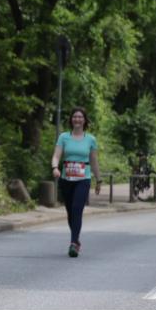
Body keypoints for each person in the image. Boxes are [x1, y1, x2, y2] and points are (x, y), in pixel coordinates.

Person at [51, 107, 101, 258]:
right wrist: (55, 167)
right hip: (66, 179)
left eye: (80, 117)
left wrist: (98, 179)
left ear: (84, 120)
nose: (77, 119)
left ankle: (73, 243)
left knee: (77, 209)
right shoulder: (64, 137)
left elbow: (94, 161)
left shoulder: (90, 139)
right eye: (75, 117)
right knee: (70, 212)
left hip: (83, 179)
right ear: (71, 119)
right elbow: (56, 156)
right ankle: (76, 239)